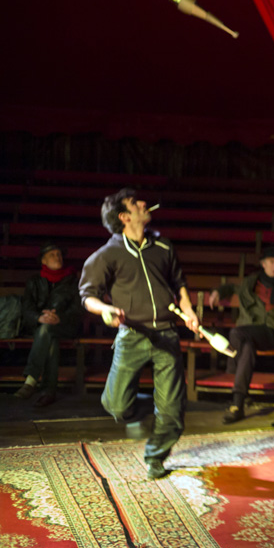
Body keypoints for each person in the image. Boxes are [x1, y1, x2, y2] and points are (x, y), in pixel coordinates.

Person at [79, 188, 201, 480]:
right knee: (117, 406)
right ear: (124, 216)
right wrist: (105, 310)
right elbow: (87, 296)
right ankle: (146, 406)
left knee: (173, 411)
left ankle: (156, 456)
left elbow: (179, 283)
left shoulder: (163, 246)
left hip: (167, 334)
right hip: (132, 335)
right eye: (136, 203)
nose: (144, 203)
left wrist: (189, 310)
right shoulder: (106, 255)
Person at [207, 244, 274, 424]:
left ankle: (232, 367)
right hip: (250, 333)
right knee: (247, 348)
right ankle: (238, 404)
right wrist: (217, 292)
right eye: (271, 261)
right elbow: (231, 288)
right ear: (263, 263)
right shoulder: (251, 282)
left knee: (237, 332)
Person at [15, 241, 84, 406]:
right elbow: (27, 308)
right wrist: (39, 317)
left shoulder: (72, 281)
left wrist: (60, 318)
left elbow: (77, 310)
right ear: (43, 261)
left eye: (59, 254)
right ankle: (48, 391)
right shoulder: (34, 281)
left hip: (66, 325)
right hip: (40, 326)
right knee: (49, 336)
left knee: (48, 331)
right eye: (52, 255)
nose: (57, 257)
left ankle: (31, 380)